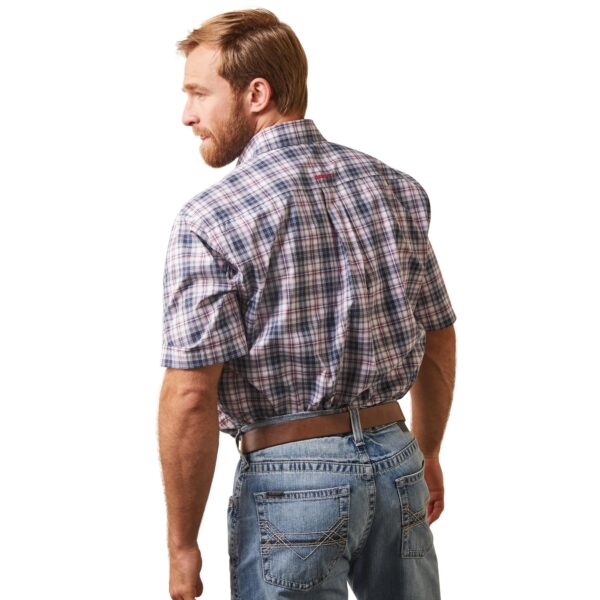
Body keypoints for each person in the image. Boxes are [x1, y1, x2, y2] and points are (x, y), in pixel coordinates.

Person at [157, 8, 457, 600]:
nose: (187, 114)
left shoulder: (211, 221)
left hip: (289, 481)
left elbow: (190, 393)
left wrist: (181, 545)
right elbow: (438, 334)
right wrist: (428, 452)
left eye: (198, 92)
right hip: (398, 464)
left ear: (256, 94)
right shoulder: (394, 188)